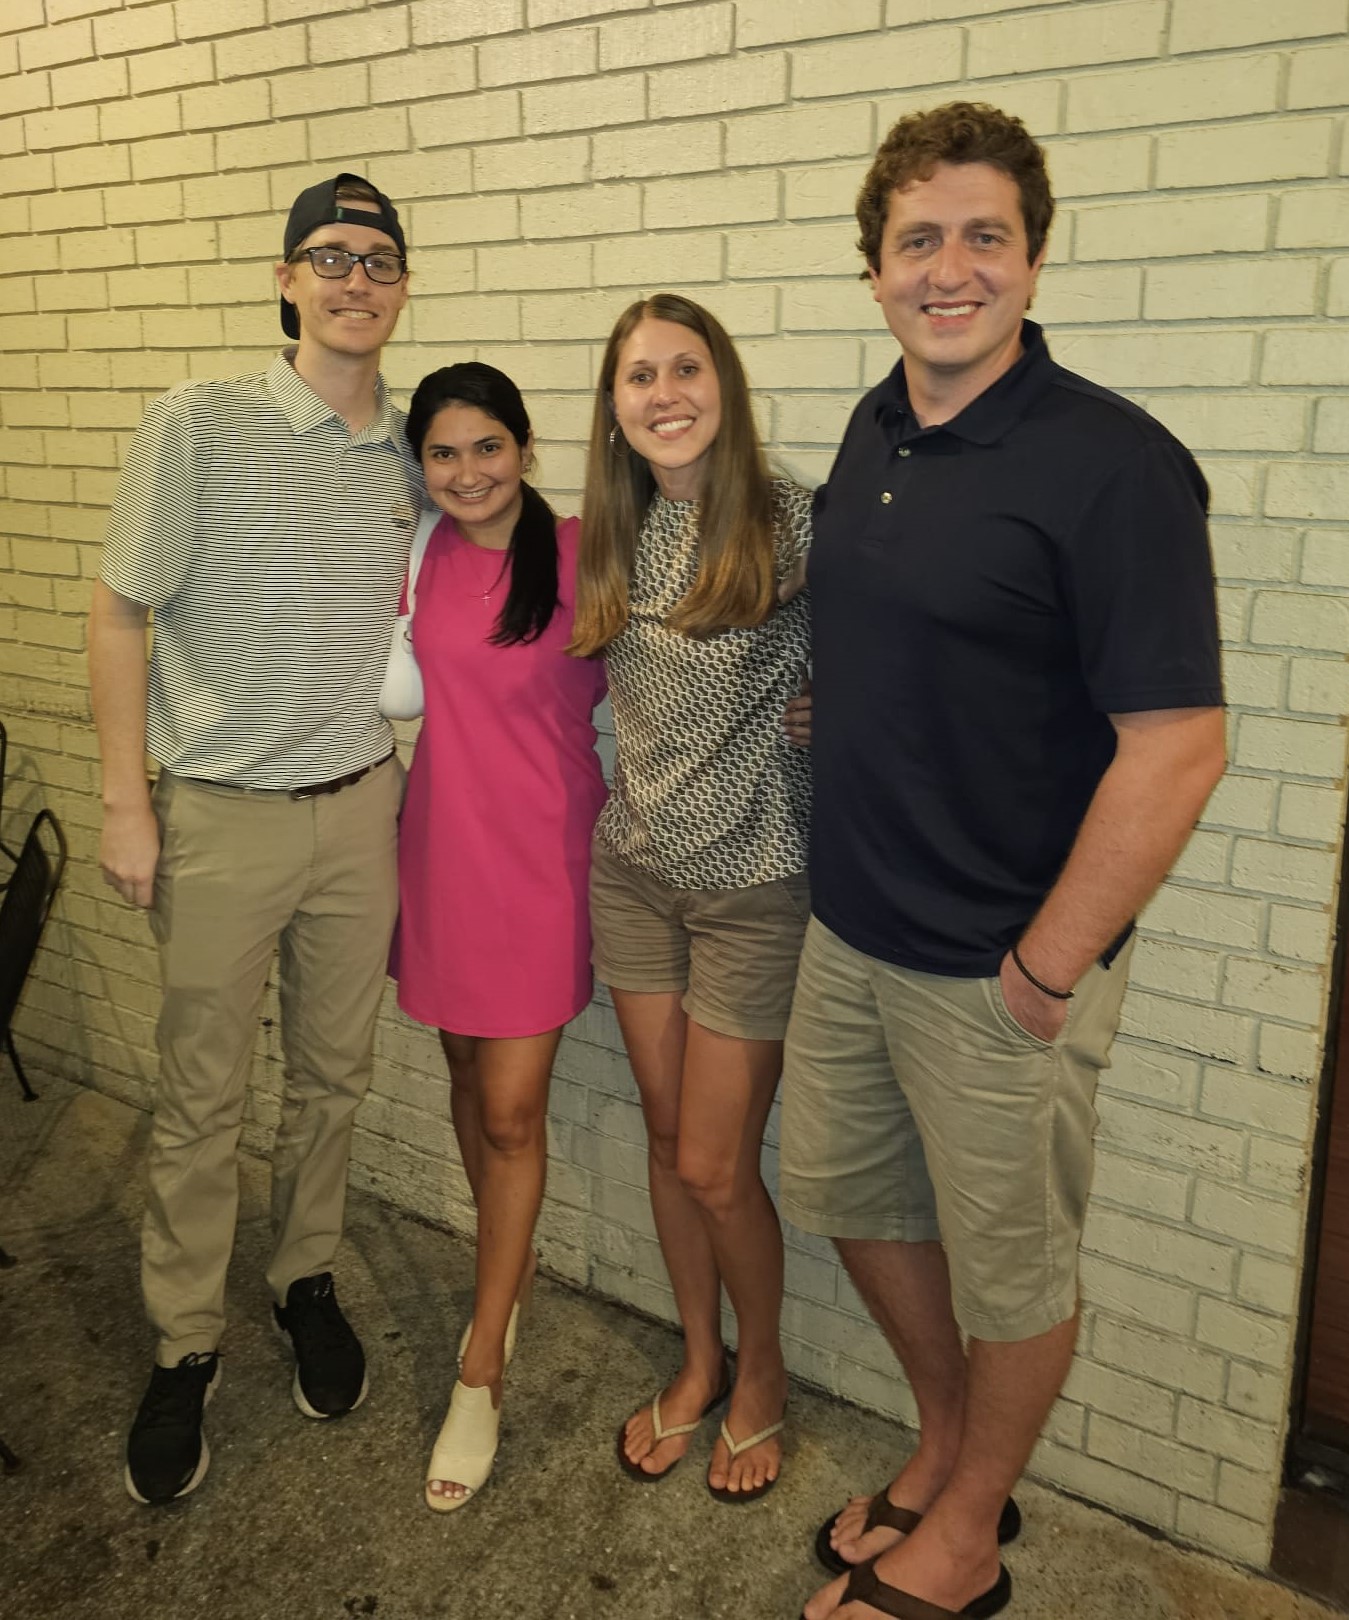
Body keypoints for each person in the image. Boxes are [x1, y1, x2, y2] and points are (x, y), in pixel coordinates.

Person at [783, 102, 1227, 1620]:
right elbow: (912, 623)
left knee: (1014, 1274)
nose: (950, 269)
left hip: (996, 966)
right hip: (852, 927)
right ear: (873, 267)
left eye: (985, 236)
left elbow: (1178, 745)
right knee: (850, 1197)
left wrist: (1044, 969)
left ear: (1034, 260)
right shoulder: (874, 427)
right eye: (918, 240)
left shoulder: (1114, 466)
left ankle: (966, 1532)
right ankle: (948, 1443)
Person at [89, 173, 416, 1505]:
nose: (355, 279)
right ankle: (184, 1340)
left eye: (378, 258)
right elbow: (120, 613)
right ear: (287, 280)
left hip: (361, 809)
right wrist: (126, 801)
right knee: (201, 1100)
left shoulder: (415, 452)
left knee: (332, 1079)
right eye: (329, 256)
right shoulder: (199, 422)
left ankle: (304, 1276)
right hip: (219, 818)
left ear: (401, 287)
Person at [570, 293, 813, 1503]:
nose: (663, 395)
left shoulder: (790, 522)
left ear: (723, 384)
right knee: (670, 1145)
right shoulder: (608, 532)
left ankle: (763, 1371)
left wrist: (836, 708)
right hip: (633, 873)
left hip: (751, 887)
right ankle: (699, 1359)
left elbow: (907, 652)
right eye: (638, 377)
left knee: (717, 1164)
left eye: (684, 369)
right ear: (613, 406)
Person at [388, 362, 608, 1511]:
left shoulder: (582, 554)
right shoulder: (416, 550)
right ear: (420, 464)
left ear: (523, 448)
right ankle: (502, 1281)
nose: (467, 471)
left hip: (542, 863)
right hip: (438, 850)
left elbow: (688, 663)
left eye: (487, 446)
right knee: (469, 1083)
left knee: (515, 1111)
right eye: (443, 451)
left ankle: (480, 1371)